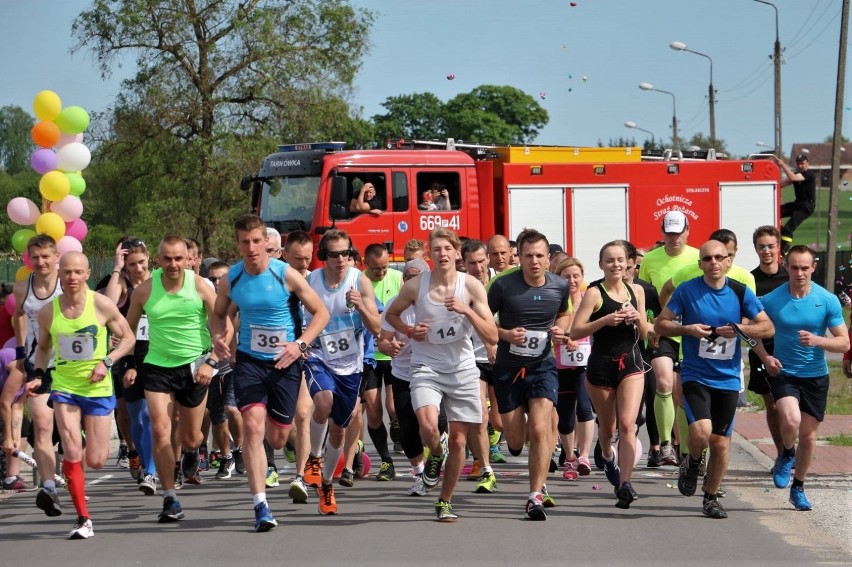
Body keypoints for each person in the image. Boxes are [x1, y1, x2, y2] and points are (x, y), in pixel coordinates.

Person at [211, 215, 328, 531]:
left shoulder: (285, 275)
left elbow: (321, 312)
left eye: (256, 241)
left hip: (286, 363)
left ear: (266, 243)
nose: (251, 248)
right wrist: (219, 338)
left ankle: (286, 443)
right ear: (238, 244)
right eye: (244, 242)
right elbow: (218, 315)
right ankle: (260, 504)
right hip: (249, 362)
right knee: (251, 425)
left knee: (277, 437)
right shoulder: (231, 279)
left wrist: (300, 345)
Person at [655, 240, 773, 519]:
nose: (714, 263)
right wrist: (688, 329)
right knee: (700, 431)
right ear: (701, 264)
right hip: (696, 374)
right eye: (708, 258)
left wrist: (739, 328)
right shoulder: (688, 290)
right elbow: (661, 323)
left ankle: (710, 497)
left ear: (729, 261)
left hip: (728, 378)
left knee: (720, 444)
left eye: (720, 257)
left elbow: (767, 327)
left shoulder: (740, 291)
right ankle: (693, 462)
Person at [385, 227, 497, 522]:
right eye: (437, 249)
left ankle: (445, 501)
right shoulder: (415, 287)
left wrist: (467, 311)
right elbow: (391, 315)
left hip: (461, 368)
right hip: (426, 366)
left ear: (457, 252)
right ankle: (436, 453)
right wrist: (410, 331)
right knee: (427, 425)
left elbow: (492, 335)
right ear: (430, 254)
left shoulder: (471, 286)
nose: (443, 254)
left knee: (460, 441)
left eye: (448, 248)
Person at [33, 252, 136, 539]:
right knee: (72, 449)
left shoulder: (101, 305)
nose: (72, 277)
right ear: (59, 273)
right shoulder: (48, 311)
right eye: (67, 272)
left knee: (97, 459)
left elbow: (128, 339)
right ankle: (83, 518)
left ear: (88, 274)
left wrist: (107, 362)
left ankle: (87, 445)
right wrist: (40, 375)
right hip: (64, 386)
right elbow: (42, 348)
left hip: (98, 389)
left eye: (78, 272)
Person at [126, 236, 222, 524]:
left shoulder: (201, 285)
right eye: (167, 259)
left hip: (196, 366)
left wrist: (213, 360)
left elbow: (224, 325)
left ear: (189, 259)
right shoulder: (144, 290)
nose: (173, 264)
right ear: (159, 260)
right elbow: (127, 330)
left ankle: (191, 453)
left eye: (178, 258)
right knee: (160, 428)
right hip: (157, 367)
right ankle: (170, 497)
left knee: (192, 437)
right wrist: (128, 362)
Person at [754, 245, 849, 511]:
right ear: (786, 266)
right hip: (784, 372)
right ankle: (786, 453)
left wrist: (818, 340)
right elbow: (750, 331)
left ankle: (798, 487)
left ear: (813, 268)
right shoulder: (773, 299)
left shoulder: (826, 299)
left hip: (816, 376)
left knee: (808, 437)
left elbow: (843, 343)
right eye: (794, 267)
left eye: (805, 268)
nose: (799, 273)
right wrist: (765, 358)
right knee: (790, 418)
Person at [488, 228, 570, 520]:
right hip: (508, 368)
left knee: (539, 427)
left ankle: (535, 494)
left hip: (542, 365)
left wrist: (562, 329)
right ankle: (515, 444)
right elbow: (484, 323)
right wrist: (505, 334)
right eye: (528, 256)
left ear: (548, 259)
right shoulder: (502, 286)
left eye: (539, 256)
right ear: (518, 257)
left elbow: (563, 313)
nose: (534, 261)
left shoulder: (560, 285)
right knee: (515, 438)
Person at [302, 229, 380, 515]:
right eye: (333, 254)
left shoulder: (360, 281)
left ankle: (326, 484)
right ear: (324, 256)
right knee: (323, 401)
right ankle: (313, 457)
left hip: (351, 365)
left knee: (339, 431)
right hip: (318, 356)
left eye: (345, 253)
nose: (340, 259)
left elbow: (377, 328)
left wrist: (361, 306)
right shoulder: (311, 281)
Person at [570, 241, 649, 508]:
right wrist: (605, 320)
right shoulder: (594, 293)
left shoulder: (636, 290)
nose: (616, 265)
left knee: (628, 425)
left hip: (631, 363)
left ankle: (625, 484)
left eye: (620, 260)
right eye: (609, 260)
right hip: (601, 365)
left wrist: (638, 317)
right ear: (601, 264)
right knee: (608, 428)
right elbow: (575, 331)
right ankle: (606, 454)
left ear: (629, 262)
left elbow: (647, 333)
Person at [638, 210, 699, 465]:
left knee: (682, 392)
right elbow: (643, 297)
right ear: (662, 233)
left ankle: (684, 448)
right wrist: (648, 327)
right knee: (663, 383)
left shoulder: (699, 256)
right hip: (661, 329)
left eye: (679, 232)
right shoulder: (650, 259)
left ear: (687, 231)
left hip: (692, 330)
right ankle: (664, 445)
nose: (674, 238)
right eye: (669, 233)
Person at [12, 235, 63, 516]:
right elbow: (18, 315)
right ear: (29, 258)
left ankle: (75, 481)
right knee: (43, 428)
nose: (41, 262)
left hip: (71, 367)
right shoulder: (23, 288)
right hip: (38, 366)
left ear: (57, 256)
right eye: (36, 257)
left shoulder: (68, 284)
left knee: (70, 436)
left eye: (46, 256)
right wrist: (21, 352)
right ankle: (48, 488)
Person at [102, 237, 157, 494]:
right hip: (129, 356)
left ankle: (153, 470)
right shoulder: (123, 284)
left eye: (142, 262)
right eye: (132, 264)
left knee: (153, 415)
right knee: (131, 415)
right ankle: (138, 455)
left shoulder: (158, 281)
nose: (138, 268)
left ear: (149, 260)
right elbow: (108, 306)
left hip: (159, 355)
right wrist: (116, 267)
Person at [377, 259, 432, 496]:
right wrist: (390, 347)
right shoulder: (393, 305)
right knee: (407, 427)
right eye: (408, 277)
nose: (412, 281)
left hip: (431, 372)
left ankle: (439, 456)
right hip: (402, 373)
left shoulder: (433, 303)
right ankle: (420, 472)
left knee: (434, 424)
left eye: (417, 277)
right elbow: (383, 340)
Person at [459, 239, 501, 492]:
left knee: (501, 421)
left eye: (480, 261)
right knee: (479, 415)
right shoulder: (460, 286)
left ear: (488, 260)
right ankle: (483, 465)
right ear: (463, 263)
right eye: (471, 263)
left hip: (502, 358)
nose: (477, 267)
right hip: (472, 359)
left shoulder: (501, 284)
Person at [361, 244, 403, 478]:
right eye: (376, 269)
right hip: (371, 355)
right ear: (366, 264)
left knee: (395, 406)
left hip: (394, 352)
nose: (381, 273)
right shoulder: (360, 282)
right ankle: (386, 461)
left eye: (385, 267)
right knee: (375, 412)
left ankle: (399, 427)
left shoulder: (397, 278)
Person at [748, 225, 788, 463]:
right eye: (761, 246)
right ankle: (782, 454)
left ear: (778, 248)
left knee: (791, 406)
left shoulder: (790, 277)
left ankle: (793, 449)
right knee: (772, 406)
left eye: (770, 246)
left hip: (789, 349)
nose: (766, 251)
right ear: (755, 249)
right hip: (762, 350)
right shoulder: (750, 280)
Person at [280, 229, 315, 503]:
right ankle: (290, 443)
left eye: (308, 259)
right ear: (284, 255)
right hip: (280, 357)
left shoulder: (316, 281)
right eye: (298, 260)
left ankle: (300, 477)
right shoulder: (275, 280)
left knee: (304, 413)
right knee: (284, 427)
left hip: (309, 356)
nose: (304, 265)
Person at [552, 256, 595, 479]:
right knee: (565, 414)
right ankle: (569, 457)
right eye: (566, 276)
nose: (571, 280)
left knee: (585, 407)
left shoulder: (589, 298)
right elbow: (549, 330)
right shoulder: (554, 301)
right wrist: (564, 338)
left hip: (585, 362)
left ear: (582, 277)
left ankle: (584, 455)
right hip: (560, 362)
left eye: (575, 275)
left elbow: (596, 325)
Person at [775, 154, 817, 253]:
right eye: (798, 164)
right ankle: (778, 230)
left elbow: (793, 177)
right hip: (797, 204)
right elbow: (780, 184)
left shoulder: (809, 174)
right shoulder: (797, 174)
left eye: (802, 163)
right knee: (777, 210)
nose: (800, 166)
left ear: (807, 163)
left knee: (788, 229)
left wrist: (782, 165)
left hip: (806, 207)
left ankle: (783, 251)